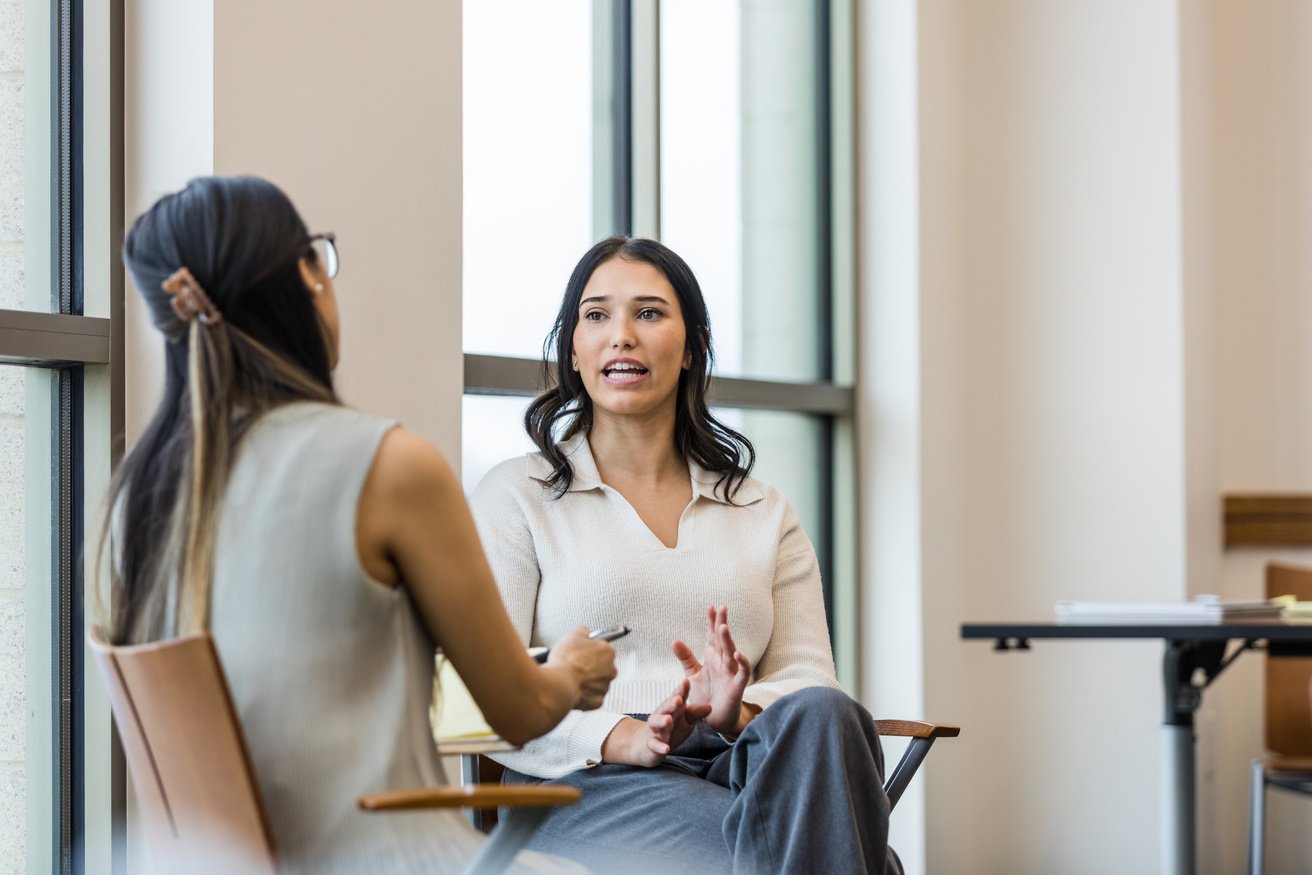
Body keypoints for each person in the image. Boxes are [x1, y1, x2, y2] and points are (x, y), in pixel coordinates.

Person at [100, 176, 617, 874]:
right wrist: (573, 671)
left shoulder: (143, 492)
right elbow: (520, 709)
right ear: (307, 277)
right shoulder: (389, 466)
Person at [470, 237, 901, 874]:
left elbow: (811, 677)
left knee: (825, 712)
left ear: (692, 344)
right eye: (596, 315)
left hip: (738, 761)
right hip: (584, 777)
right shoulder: (519, 496)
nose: (621, 335)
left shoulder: (760, 508)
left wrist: (738, 709)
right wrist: (622, 736)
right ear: (573, 348)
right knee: (850, 859)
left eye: (648, 313)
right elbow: (480, 693)